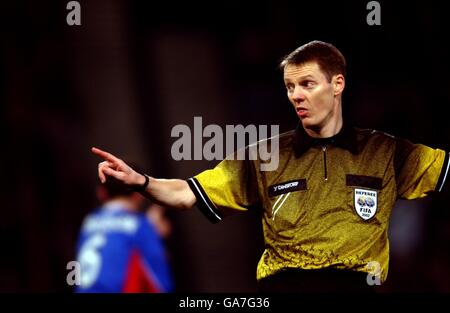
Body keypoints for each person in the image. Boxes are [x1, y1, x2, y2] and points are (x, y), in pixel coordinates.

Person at [91, 41, 449, 292]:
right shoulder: (265, 155)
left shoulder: (385, 150)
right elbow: (187, 193)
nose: (296, 95)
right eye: (290, 86)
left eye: (307, 84)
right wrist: (141, 181)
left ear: (337, 84)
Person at [75, 173, 174, 293]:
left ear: (101, 193)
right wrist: (152, 233)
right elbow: (159, 284)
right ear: (139, 195)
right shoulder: (141, 227)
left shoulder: (88, 224)